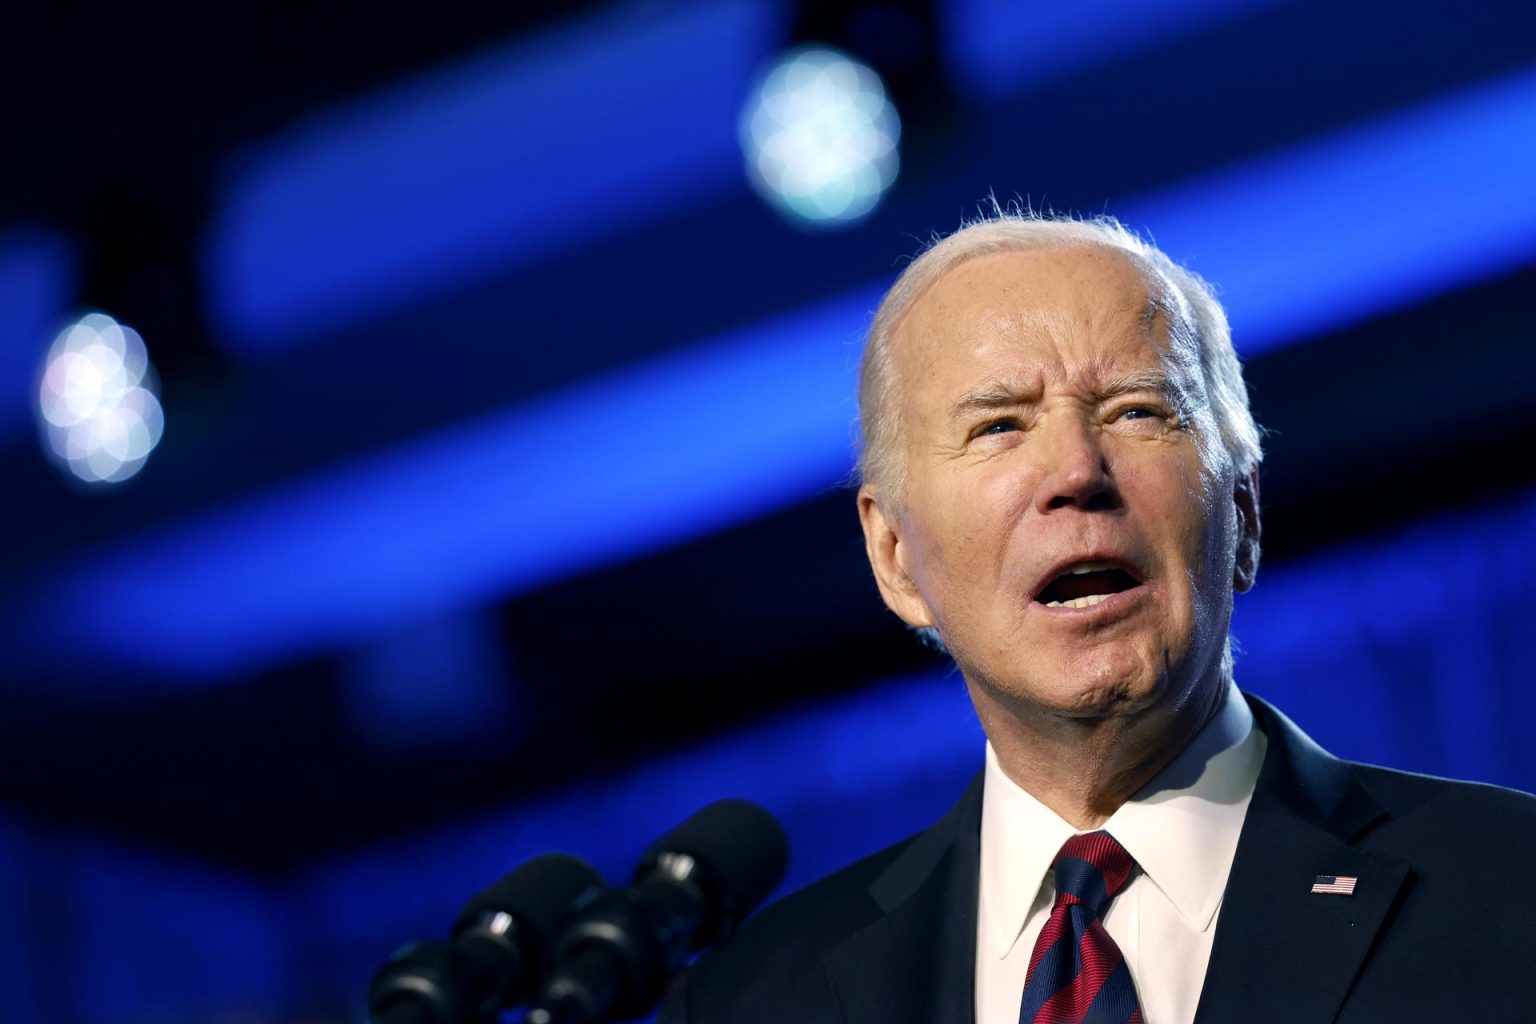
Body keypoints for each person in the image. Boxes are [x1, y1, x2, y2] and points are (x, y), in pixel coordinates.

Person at [657, 213, 1536, 1024]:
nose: (1076, 469)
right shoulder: (755, 1000)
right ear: (894, 558)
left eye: (1137, 412)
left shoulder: (1507, 886)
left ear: (1244, 515)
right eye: (999, 425)